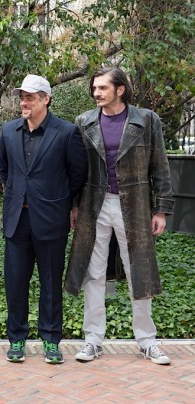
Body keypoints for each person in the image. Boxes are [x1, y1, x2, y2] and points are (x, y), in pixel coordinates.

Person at [65, 67, 174, 365]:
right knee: (93, 270)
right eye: (94, 88)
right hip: (94, 204)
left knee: (139, 268)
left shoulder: (146, 120)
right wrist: (74, 205)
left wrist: (161, 209)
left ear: (120, 89)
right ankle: (93, 339)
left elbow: (160, 166)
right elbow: (77, 169)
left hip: (136, 204)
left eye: (102, 88)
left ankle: (147, 341)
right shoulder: (85, 122)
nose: (96, 93)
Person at [0, 74, 87, 364]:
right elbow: (4, 171)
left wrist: (56, 201)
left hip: (51, 220)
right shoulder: (8, 131)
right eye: (22, 96)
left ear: (46, 99)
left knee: (50, 284)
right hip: (16, 220)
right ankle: (17, 340)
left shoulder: (66, 132)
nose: (24, 102)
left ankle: (50, 340)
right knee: (15, 283)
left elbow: (77, 175)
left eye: (30, 97)